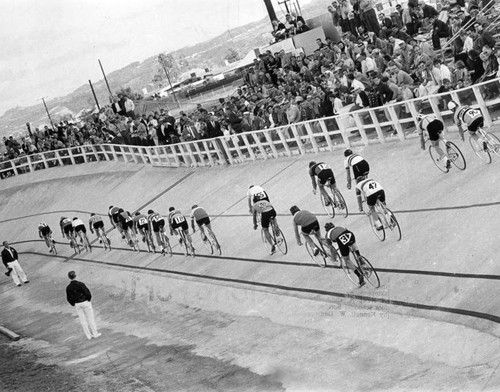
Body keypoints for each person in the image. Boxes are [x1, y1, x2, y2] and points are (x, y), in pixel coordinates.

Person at [324, 222, 365, 286]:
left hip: (341, 240)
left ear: (326, 230)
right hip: (350, 234)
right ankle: (359, 256)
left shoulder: (327, 235)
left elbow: (331, 248)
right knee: (352, 243)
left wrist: (334, 258)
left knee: (347, 260)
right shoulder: (339, 226)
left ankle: (359, 275)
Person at [66, 270, 101, 340]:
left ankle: (88, 336)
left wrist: (73, 303)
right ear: (75, 276)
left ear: (69, 277)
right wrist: (88, 299)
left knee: (83, 320)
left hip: (77, 304)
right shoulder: (80, 284)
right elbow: (87, 292)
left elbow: (69, 298)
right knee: (90, 318)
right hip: (85, 302)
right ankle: (95, 333)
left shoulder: (68, 287)